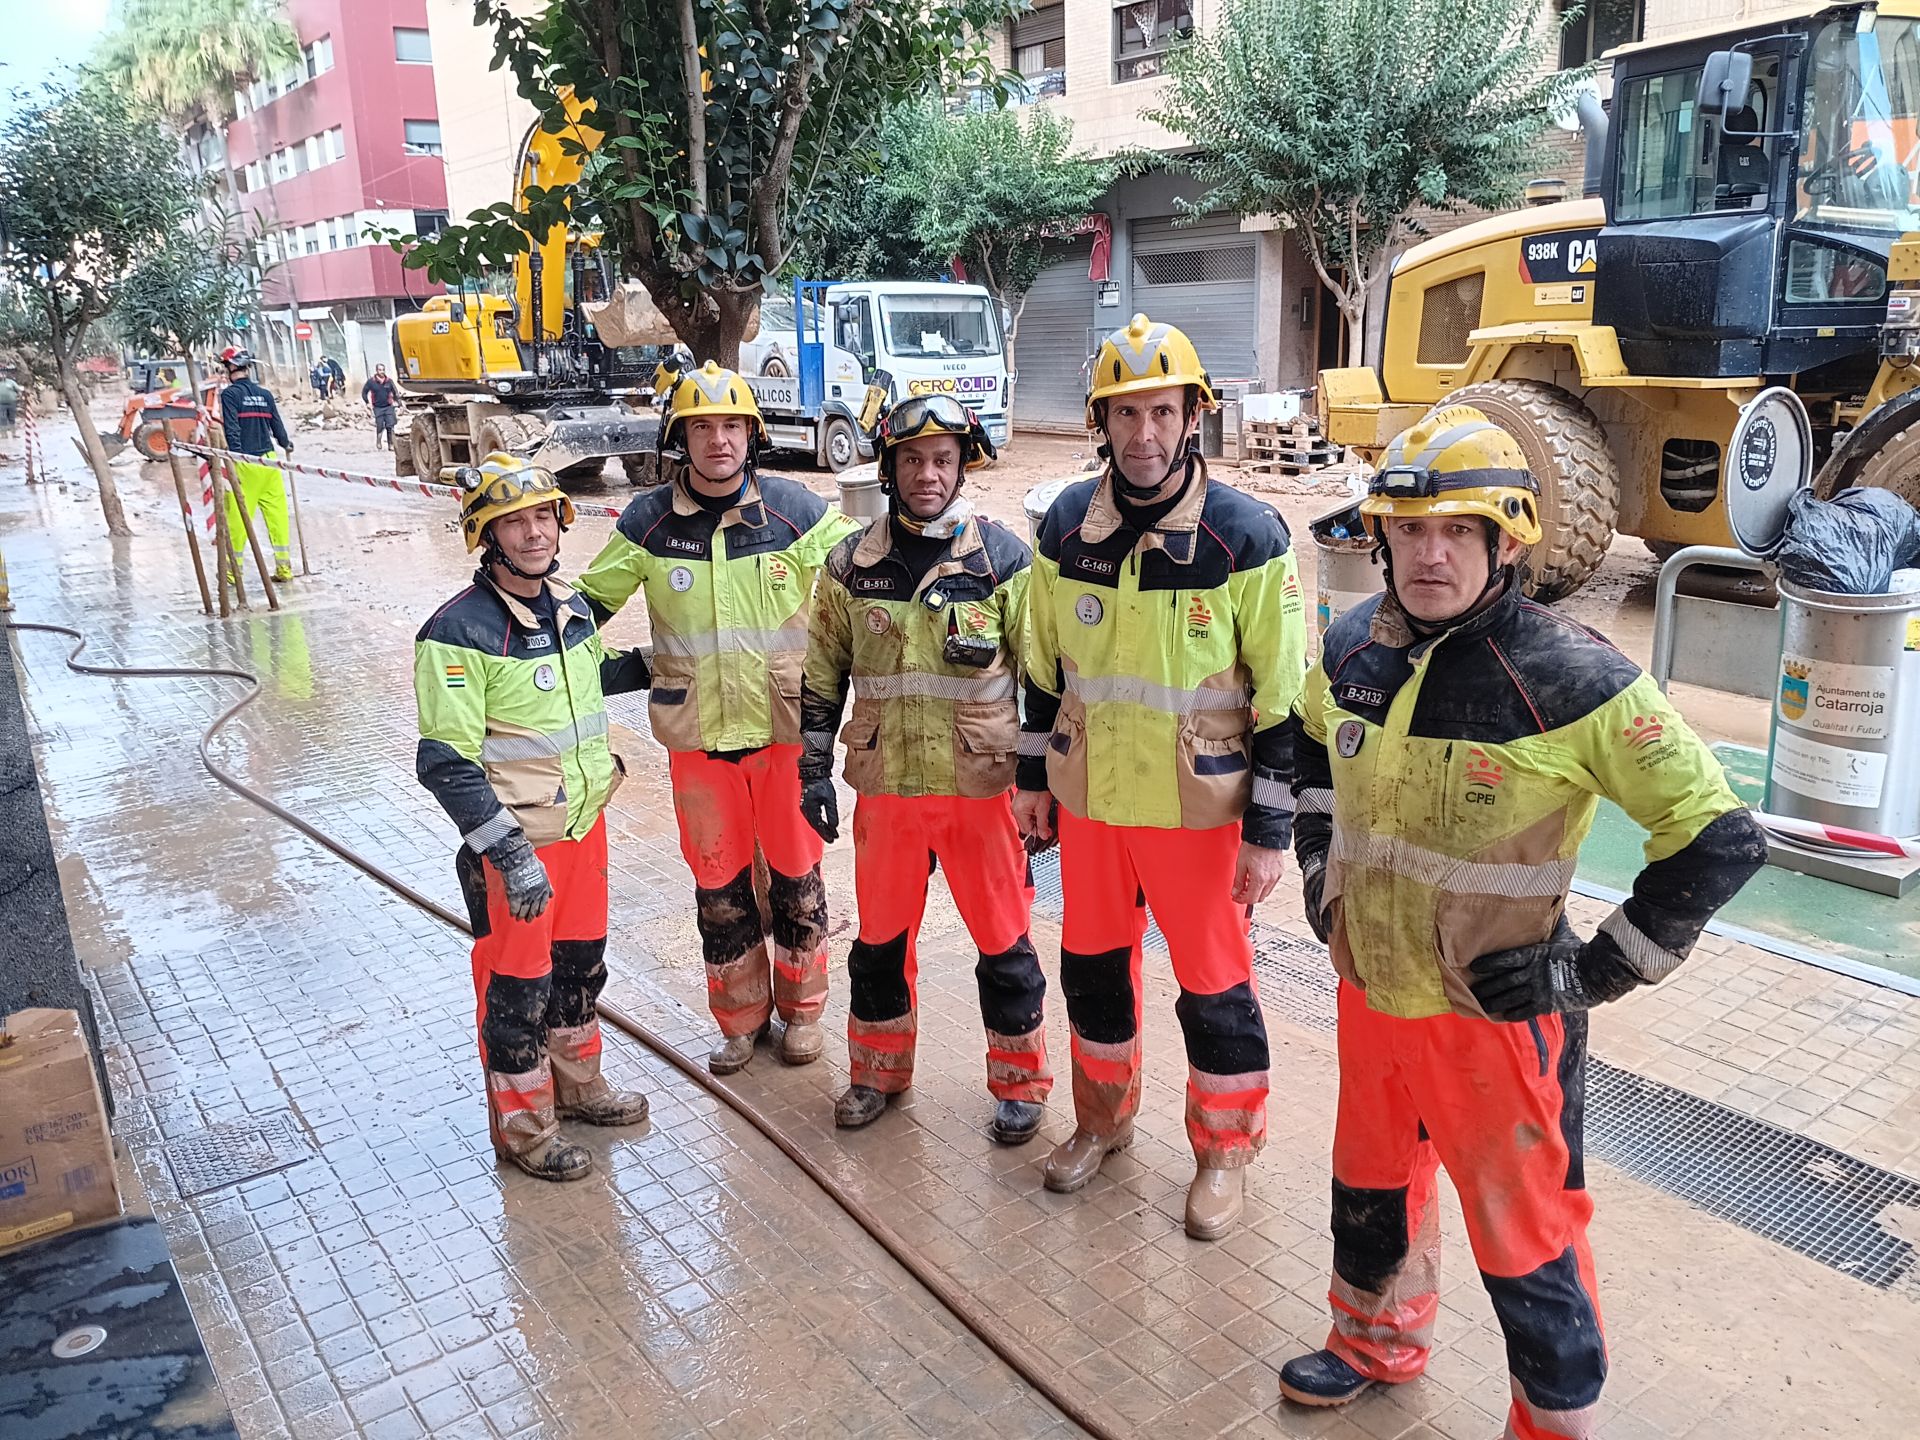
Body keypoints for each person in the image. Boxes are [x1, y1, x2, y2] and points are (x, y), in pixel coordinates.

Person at [1276, 407, 1767, 1435]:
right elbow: (1313, 748)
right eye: (1408, 531)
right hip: (1373, 998)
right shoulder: (1352, 646)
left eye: (1457, 530)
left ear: (1506, 540)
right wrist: (1322, 872)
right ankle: (1373, 1341)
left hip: (1498, 1027)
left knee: (1526, 1237)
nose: (1429, 554)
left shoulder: (1571, 678)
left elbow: (1719, 837)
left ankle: (1552, 1421)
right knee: (1370, 1191)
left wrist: (1588, 974)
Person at [1016, 314, 1308, 1241]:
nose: (1145, 435)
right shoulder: (1064, 527)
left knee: (1215, 988)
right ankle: (1102, 1120)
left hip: (1200, 814)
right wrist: (1031, 783)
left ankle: (1225, 1154)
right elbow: (1040, 669)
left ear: (1193, 417)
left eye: (1163, 413)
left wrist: (1268, 835)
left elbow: (1283, 700)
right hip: (1094, 807)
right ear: (1103, 419)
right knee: (1094, 975)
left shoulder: (1245, 537)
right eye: (1127, 413)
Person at [576, 361, 862, 1074]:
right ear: (682, 439)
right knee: (719, 887)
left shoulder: (797, 513)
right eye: (702, 427)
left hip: (784, 737)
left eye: (732, 425)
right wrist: (518, 637)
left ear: (752, 435)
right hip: (697, 741)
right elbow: (583, 613)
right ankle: (739, 1020)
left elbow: (863, 587)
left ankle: (803, 1014)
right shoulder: (647, 523)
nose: (719, 440)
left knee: (798, 880)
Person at [798, 394, 1052, 1142]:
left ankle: (1022, 1085)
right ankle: (877, 1074)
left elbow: (1041, 678)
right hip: (889, 788)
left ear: (963, 466)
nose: (928, 474)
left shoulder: (1004, 560)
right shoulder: (849, 566)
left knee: (1005, 945)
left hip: (982, 789)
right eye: (912, 459)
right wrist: (813, 771)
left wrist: (1038, 784)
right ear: (888, 466)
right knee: (879, 945)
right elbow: (821, 675)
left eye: (943, 459)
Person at [415, 453, 653, 1181]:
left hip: (583, 830)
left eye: (542, 516)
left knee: (579, 972)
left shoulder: (570, 608)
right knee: (518, 990)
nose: (532, 533)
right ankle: (524, 1128)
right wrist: (510, 855)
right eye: (512, 522)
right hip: (517, 848)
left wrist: (662, 661)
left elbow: (591, 677)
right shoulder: (455, 634)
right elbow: (444, 761)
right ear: (486, 536)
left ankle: (579, 1090)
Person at [217, 346, 295, 582]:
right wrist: (286, 444)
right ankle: (284, 569)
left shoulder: (230, 395)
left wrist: (236, 458)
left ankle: (232, 573)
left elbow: (232, 429)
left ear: (230, 368)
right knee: (278, 516)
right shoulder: (265, 395)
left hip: (246, 462)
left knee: (239, 519)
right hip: (270, 462)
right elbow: (278, 428)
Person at [364, 364, 400, 450]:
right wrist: (367, 403)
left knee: (390, 426)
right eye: (380, 370)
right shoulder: (371, 382)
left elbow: (395, 392)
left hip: (388, 407)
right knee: (380, 425)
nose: (382, 372)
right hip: (378, 407)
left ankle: (390, 444)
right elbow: (364, 392)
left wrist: (399, 403)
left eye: (383, 370)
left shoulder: (389, 381)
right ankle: (379, 440)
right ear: (377, 371)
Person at [0, 369, 19, 438]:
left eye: (2, 373)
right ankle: (3, 435)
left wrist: (19, 395)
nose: (1, 375)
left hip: (11, 403)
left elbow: (18, 389)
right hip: (1, 404)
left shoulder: (11, 382)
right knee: (2, 419)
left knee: (12, 418)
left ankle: (14, 434)